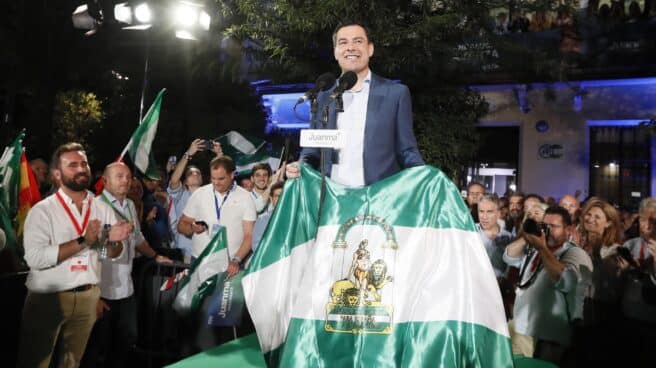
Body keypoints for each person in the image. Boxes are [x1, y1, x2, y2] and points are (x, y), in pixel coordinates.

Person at [17, 143, 132, 368]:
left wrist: (115, 242)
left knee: (72, 363)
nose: (81, 168)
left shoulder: (101, 207)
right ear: (57, 174)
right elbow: (35, 258)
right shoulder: (43, 210)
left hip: (87, 298)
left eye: (84, 163)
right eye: (72, 165)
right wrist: (83, 241)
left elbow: (109, 254)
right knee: (35, 362)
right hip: (48, 298)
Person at [286, 21, 424, 186]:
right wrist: (300, 165)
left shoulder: (395, 93)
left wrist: (425, 177)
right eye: (343, 42)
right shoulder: (323, 97)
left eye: (358, 41)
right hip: (333, 200)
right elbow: (313, 150)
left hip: (378, 199)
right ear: (336, 52)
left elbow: (407, 151)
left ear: (370, 49)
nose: (350, 47)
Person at [82, 163, 172, 368]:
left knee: (127, 338)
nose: (126, 180)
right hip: (102, 290)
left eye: (129, 177)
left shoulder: (130, 205)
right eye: (119, 176)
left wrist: (155, 255)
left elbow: (138, 238)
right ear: (105, 180)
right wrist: (94, 292)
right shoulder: (95, 206)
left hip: (126, 288)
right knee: (98, 345)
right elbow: (92, 250)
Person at [504, 206, 592, 365]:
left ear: (568, 228)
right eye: (545, 226)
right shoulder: (535, 248)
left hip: (549, 335)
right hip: (520, 328)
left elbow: (566, 281)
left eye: (554, 226)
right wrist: (528, 235)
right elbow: (508, 256)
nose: (548, 231)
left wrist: (542, 248)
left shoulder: (575, 253)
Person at [177, 155, 256, 274]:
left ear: (232, 175)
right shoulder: (199, 194)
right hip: (199, 260)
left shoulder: (245, 198)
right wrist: (191, 227)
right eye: (213, 178)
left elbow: (249, 236)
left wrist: (236, 260)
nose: (216, 183)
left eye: (221, 179)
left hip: (229, 265)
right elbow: (181, 225)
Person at [167, 139, 221, 262]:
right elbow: (174, 180)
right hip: (187, 250)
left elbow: (221, 177)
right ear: (185, 182)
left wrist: (219, 155)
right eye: (191, 173)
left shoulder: (209, 194)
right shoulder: (181, 194)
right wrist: (188, 154)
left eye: (198, 173)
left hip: (207, 249)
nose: (195, 174)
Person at [476, 194, 513, 277]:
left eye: (489, 212)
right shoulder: (469, 233)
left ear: (498, 213)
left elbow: (509, 269)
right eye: (481, 211)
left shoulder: (509, 238)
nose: (484, 217)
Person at [252, 181, 284, 253]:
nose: (281, 199)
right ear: (271, 198)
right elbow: (256, 246)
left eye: (283, 195)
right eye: (277, 196)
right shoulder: (262, 220)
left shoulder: (297, 217)